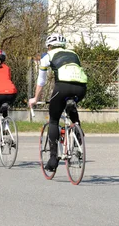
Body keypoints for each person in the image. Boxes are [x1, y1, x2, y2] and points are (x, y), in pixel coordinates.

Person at [28, 33, 88, 172]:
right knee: (71, 105)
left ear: (49, 46)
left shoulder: (47, 56)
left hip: (62, 87)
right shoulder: (74, 54)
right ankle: (78, 131)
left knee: (54, 120)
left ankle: (53, 158)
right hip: (81, 88)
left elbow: (41, 81)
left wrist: (36, 98)